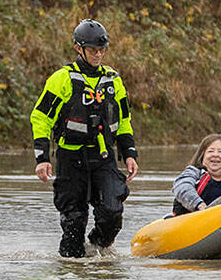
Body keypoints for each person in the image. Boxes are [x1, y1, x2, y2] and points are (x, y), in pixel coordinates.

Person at [31, 19, 140, 258]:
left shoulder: (114, 80)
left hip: (102, 156)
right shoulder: (62, 79)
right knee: (74, 221)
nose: (98, 55)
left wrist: (129, 153)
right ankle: (72, 268)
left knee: (112, 210)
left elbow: (123, 120)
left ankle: (98, 247)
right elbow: (41, 118)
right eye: (93, 50)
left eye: (102, 50)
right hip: (71, 157)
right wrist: (42, 157)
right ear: (78, 48)